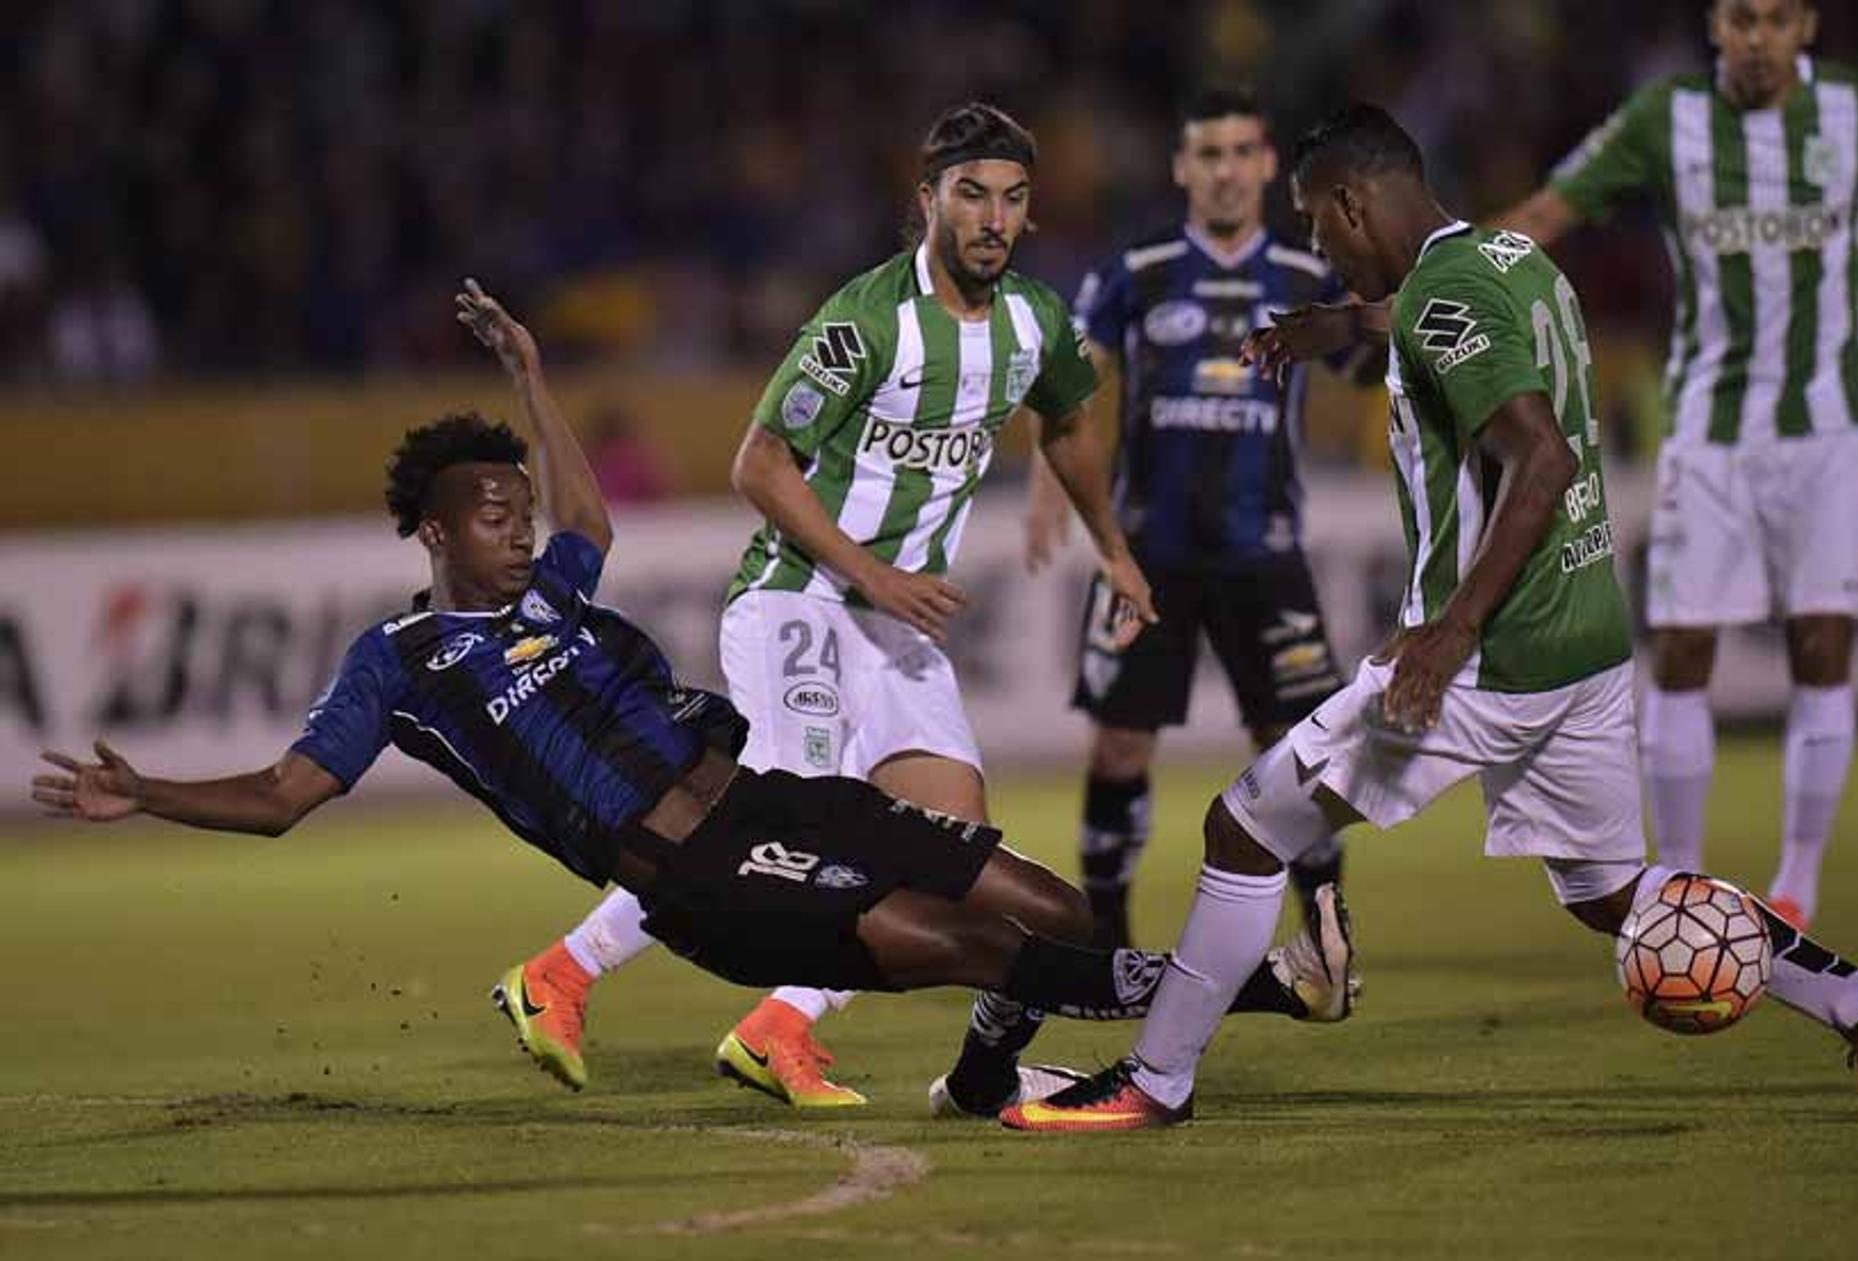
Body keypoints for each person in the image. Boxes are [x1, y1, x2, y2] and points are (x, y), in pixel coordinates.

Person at [28, 280, 1349, 1105]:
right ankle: (1261, 989)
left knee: (1037, 899)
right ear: (432, 535)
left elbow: (586, 508)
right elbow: (280, 796)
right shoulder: (403, 664)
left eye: (518, 505)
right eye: (490, 514)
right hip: (706, 871)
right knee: (970, 945)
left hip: (781, 796)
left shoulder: (555, 590)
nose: (518, 524)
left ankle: (997, 1072)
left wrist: (532, 380)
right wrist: (145, 788)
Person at [1000, 105, 1858, 1131]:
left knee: (1246, 826)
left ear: (1354, 202)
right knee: (1611, 890)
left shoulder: (1446, 290)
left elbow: (1541, 457)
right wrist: (1338, 327)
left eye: (1317, 224)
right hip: (1585, 639)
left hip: (1489, 658)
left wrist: (1452, 630)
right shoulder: (1510, 258)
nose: (1318, 245)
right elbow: (1440, 321)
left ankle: (1154, 1081)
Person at [490, 103, 1161, 1110]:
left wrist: (1114, 550)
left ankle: (779, 1024)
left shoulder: (1035, 323)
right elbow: (758, 465)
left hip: (899, 629)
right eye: (972, 194)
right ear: (927, 198)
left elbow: (1068, 422)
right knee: (773, 840)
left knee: (948, 844)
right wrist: (875, 572)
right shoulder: (867, 319)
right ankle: (562, 971)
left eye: (1013, 198)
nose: (994, 217)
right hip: (799, 599)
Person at [1492, 0, 1858, 930]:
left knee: (1823, 642)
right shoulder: (1664, 119)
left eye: (1774, 18)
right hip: (1709, 422)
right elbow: (1545, 212)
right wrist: (1448, 283)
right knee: (1684, 648)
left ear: (1806, 27)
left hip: (1833, 422)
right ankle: (1680, 889)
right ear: (1714, 27)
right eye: (1739, 18)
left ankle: (1796, 883)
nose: (1757, 37)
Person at [1025, 84, 1353, 949]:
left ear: (1269, 165)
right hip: (1150, 554)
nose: (1226, 170)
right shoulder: (1138, 271)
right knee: (1121, 747)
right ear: (1182, 167)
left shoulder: (1308, 278)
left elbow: (1378, 373)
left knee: (1294, 747)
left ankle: (1324, 928)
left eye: (1242, 152)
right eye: (1209, 154)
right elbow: (1073, 380)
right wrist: (1043, 485)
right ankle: (1105, 944)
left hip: (1265, 549)